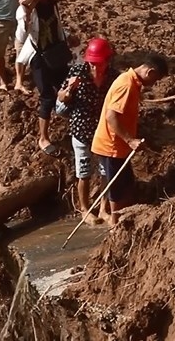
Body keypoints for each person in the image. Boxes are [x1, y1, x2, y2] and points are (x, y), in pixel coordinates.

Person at [90, 55, 169, 227]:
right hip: (111, 146)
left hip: (118, 146)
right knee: (116, 189)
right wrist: (130, 140)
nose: (154, 84)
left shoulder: (130, 81)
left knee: (125, 184)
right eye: (155, 79)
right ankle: (115, 225)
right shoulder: (126, 85)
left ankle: (119, 218)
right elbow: (111, 117)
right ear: (150, 72)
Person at [56, 37, 121, 225]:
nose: (95, 68)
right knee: (83, 171)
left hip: (103, 129)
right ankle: (84, 209)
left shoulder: (113, 76)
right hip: (81, 128)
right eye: (92, 64)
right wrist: (69, 88)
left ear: (107, 61)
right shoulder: (77, 71)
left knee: (105, 171)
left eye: (98, 64)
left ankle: (103, 208)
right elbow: (61, 96)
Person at [16, 0, 78, 157]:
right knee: (47, 97)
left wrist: (68, 36)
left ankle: (71, 121)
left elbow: (55, 27)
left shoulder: (53, 5)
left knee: (69, 87)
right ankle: (43, 138)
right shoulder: (27, 10)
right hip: (39, 56)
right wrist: (25, 19)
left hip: (56, 52)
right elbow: (21, 36)